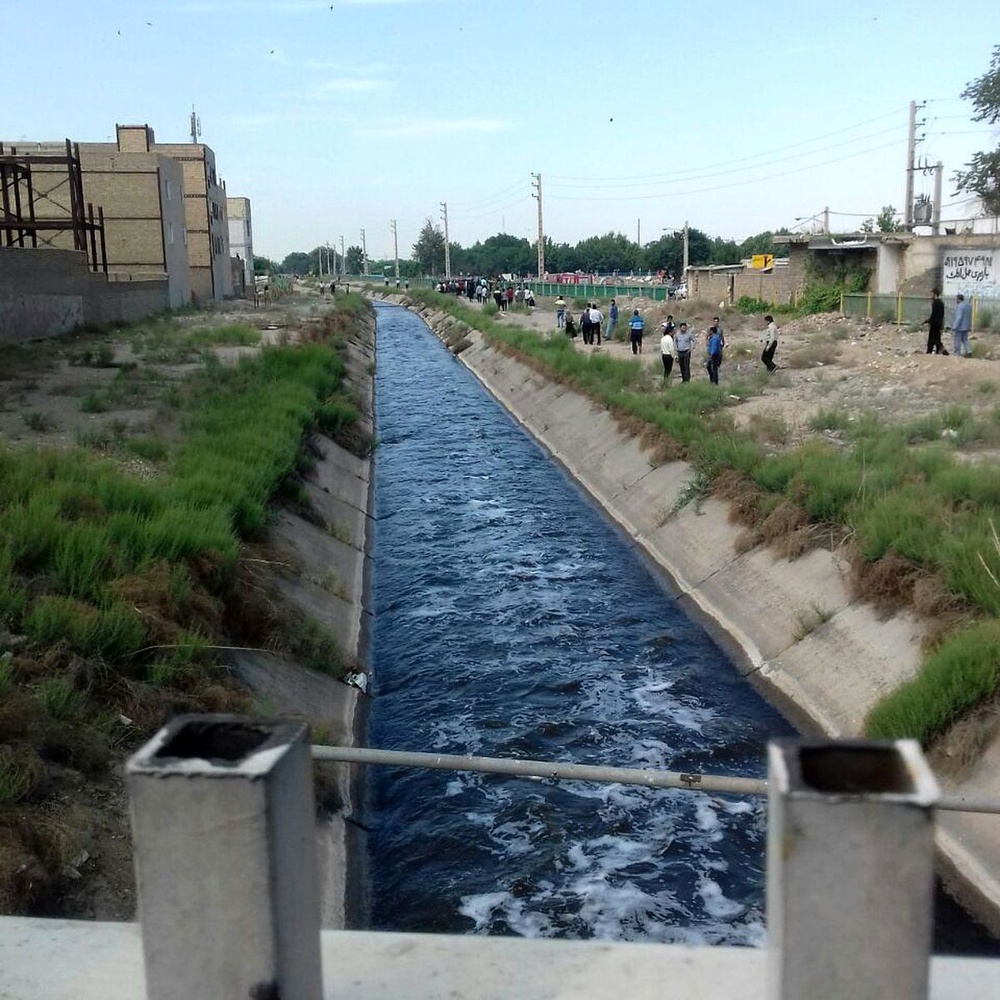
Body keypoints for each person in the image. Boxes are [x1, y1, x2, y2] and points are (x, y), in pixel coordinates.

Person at [922, 287, 947, 354]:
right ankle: (938, 351)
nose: (931, 296)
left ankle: (934, 352)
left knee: (933, 339)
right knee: (937, 339)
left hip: (934, 324)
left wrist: (928, 321)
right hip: (939, 324)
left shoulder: (935, 303)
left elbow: (934, 314)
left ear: (935, 294)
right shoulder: (941, 303)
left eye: (932, 294)